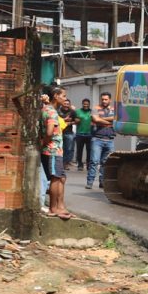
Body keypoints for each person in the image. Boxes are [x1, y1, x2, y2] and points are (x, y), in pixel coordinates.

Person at [41, 85, 74, 219]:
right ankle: (53, 208)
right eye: (63, 96)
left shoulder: (48, 109)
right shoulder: (52, 112)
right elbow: (49, 131)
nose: (65, 99)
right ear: (56, 96)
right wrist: (44, 142)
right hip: (52, 149)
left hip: (55, 149)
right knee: (56, 178)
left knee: (61, 178)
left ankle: (59, 206)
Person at [88, 91, 117, 189]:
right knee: (94, 161)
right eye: (102, 99)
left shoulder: (114, 109)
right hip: (97, 139)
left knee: (106, 162)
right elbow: (96, 120)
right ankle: (90, 182)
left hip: (110, 139)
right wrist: (109, 122)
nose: (104, 101)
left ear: (110, 100)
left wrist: (103, 119)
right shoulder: (96, 108)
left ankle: (102, 182)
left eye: (106, 99)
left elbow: (116, 118)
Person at [73, 98, 94, 174]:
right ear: (82, 104)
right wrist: (76, 120)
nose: (86, 105)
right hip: (80, 134)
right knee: (79, 150)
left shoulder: (92, 112)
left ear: (89, 104)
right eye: (84, 104)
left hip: (89, 134)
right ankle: (80, 165)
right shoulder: (78, 111)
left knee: (89, 150)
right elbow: (74, 119)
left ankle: (88, 164)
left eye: (87, 104)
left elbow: (95, 120)